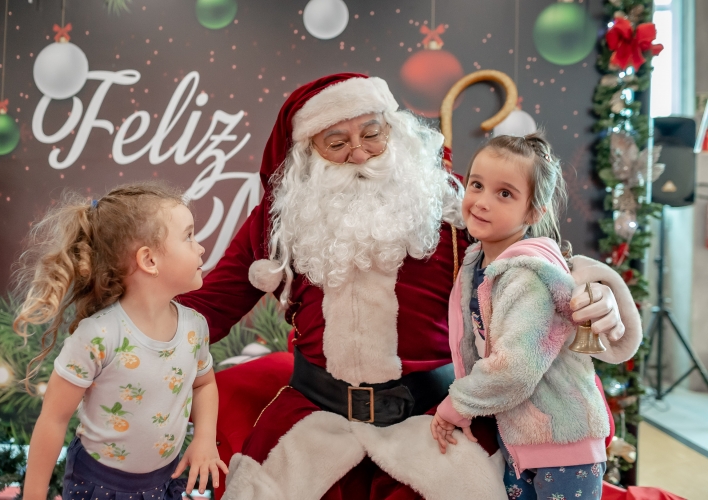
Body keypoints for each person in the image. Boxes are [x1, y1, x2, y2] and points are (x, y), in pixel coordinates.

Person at [178, 74, 642, 499]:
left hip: (432, 417)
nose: (359, 153)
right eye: (336, 142)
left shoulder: (451, 199)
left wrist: (594, 290)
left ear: (394, 129)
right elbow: (211, 305)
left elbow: (535, 258)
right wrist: (140, 327)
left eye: (371, 134)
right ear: (307, 151)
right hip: (313, 416)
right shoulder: (282, 219)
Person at [14, 182, 228, 500]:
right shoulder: (98, 336)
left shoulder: (194, 328)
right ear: (149, 260)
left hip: (163, 481)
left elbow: (204, 384)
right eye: (188, 236)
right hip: (98, 486)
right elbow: (53, 419)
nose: (200, 248)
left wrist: (205, 438)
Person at [432, 133, 614, 500]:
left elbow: (515, 368)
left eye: (505, 194)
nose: (482, 202)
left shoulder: (525, 277)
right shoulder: (476, 264)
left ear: (533, 212)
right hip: (524, 438)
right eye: (477, 185)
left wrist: (457, 405)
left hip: (565, 444)